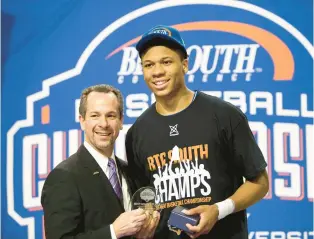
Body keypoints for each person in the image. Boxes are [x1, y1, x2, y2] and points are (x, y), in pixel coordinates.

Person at [125, 25, 269, 239]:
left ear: (184, 65)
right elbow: (145, 199)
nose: (157, 72)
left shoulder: (224, 115)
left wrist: (219, 210)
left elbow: (260, 182)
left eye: (166, 62)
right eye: (149, 65)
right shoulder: (137, 133)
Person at [41, 84, 159, 239]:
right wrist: (113, 232)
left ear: (121, 121)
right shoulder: (64, 177)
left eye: (110, 116)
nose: (103, 124)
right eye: (95, 116)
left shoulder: (129, 171)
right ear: (82, 121)